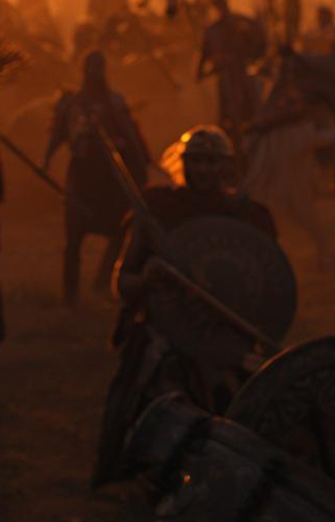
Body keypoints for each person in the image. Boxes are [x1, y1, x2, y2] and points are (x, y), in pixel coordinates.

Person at [93, 125, 278, 488]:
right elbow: (123, 281)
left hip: (225, 328)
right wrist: (148, 280)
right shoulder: (157, 209)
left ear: (227, 165)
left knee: (240, 396)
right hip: (166, 327)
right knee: (149, 368)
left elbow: (268, 286)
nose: (204, 169)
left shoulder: (250, 216)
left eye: (212, 161)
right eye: (197, 161)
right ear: (183, 163)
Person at [43, 49, 150, 305]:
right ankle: (70, 295)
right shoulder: (71, 103)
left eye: (98, 69)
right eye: (90, 68)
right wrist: (45, 160)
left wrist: (137, 160)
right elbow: (58, 133)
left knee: (118, 230)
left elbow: (130, 134)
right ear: (84, 71)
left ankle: (102, 282)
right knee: (73, 236)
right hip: (81, 174)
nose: (94, 74)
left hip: (108, 177)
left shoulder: (115, 102)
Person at [196, 0, 266, 151]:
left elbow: (257, 41)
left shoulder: (240, 24)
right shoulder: (213, 30)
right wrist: (200, 72)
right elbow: (205, 52)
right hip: (225, 75)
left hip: (241, 72)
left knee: (248, 106)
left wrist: (250, 56)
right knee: (227, 110)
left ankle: (248, 139)